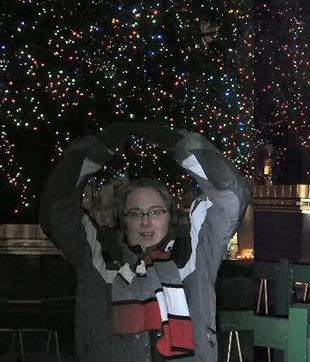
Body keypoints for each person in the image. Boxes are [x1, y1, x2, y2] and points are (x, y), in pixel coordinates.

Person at [39, 122, 250, 362]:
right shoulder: (97, 256)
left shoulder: (195, 255)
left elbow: (232, 197)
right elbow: (55, 209)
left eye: (156, 211)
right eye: (135, 213)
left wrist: (178, 144)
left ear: (169, 215)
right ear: (123, 219)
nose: (146, 221)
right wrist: (95, 150)